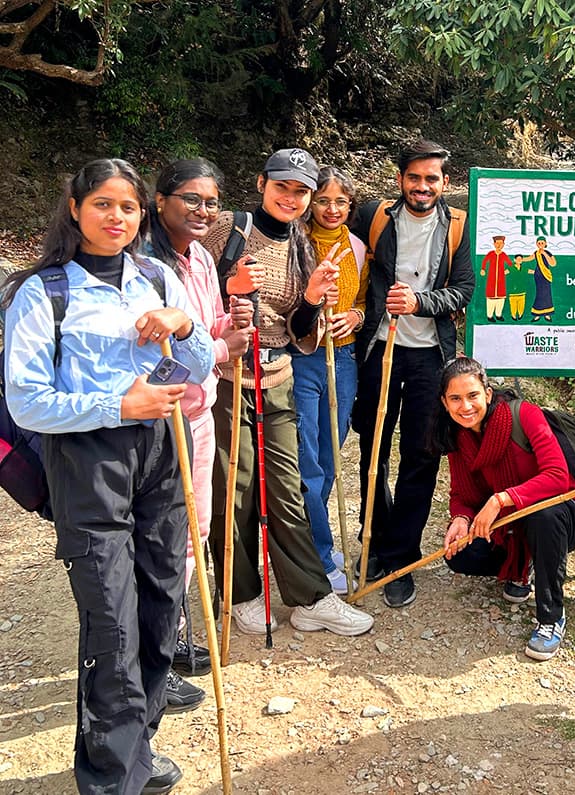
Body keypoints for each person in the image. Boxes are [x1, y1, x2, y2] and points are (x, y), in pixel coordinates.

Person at [2, 158, 216, 795]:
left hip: (158, 453)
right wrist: (118, 405)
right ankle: (111, 777)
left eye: (126, 207)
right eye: (102, 204)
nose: (116, 217)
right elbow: (27, 401)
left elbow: (198, 364)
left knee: (159, 606)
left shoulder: (156, 276)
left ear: (140, 215)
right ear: (75, 209)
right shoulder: (43, 293)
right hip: (86, 458)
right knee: (113, 621)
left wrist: (185, 326)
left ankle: (136, 745)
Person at [201, 148, 373, 637]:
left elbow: (299, 331)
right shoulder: (229, 229)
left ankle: (309, 596)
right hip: (229, 376)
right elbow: (195, 293)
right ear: (262, 184)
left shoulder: (301, 241)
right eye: (283, 187)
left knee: (288, 488)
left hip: (278, 376)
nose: (292, 198)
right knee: (234, 490)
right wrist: (229, 285)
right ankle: (242, 593)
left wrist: (314, 297)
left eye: (301, 191)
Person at [146, 157, 255, 708]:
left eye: (211, 202)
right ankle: (153, 661)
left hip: (200, 414)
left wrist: (229, 326)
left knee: (195, 531)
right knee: (165, 540)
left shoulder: (202, 262)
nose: (203, 211)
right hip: (159, 423)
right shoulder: (142, 266)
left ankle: (170, 641)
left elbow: (208, 323)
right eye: (190, 198)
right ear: (160, 199)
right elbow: (154, 359)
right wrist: (218, 350)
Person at [350, 139, 474, 608]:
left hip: (429, 358)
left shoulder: (458, 226)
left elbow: (464, 289)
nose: (423, 187)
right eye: (415, 177)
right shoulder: (375, 216)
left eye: (432, 179)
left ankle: (401, 555)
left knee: (421, 457)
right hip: (380, 349)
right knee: (373, 450)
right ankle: (374, 543)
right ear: (400, 178)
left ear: (445, 182)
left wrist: (421, 302)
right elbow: (338, 246)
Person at [432, 357, 575, 660]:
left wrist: (501, 499)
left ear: (487, 394)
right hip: (511, 525)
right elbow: (461, 494)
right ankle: (524, 565)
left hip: (561, 514)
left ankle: (551, 617)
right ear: (445, 402)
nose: (465, 406)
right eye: (455, 398)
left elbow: (557, 476)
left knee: (542, 514)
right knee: (460, 554)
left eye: (473, 395)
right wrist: (461, 518)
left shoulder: (524, 415)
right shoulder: (459, 436)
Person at [292, 166, 367, 594]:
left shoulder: (357, 248)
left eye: (341, 201)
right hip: (304, 359)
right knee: (308, 463)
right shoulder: (295, 245)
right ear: (310, 204)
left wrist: (354, 315)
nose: (331, 209)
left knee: (330, 455)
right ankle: (318, 554)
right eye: (323, 200)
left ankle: (307, 541)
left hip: (345, 359)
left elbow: (361, 302)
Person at [517, 236, 556, 322]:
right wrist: (520, 259)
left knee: (547, 294)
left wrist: (544, 253)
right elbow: (529, 258)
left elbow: (553, 263)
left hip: (546, 276)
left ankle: (547, 314)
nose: (540, 244)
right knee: (539, 294)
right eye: (539, 243)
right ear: (536, 244)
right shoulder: (536, 253)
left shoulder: (548, 253)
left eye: (542, 243)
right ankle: (537, 314)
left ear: (545, 244)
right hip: (538, 275)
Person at [480, 235, 510, 321]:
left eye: (501, 243)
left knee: (500, 299)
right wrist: (483, 269)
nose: (499, 245)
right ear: (494, 244)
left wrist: (508, 270)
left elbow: (510, 264)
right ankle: (489, 316)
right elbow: (485, 261)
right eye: (497, 243)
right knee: (490, 298)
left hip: (501, 280)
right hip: (491, 279)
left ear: (503, 244)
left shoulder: (503, 254)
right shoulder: (491, 254)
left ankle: (498, 315)